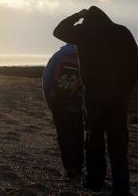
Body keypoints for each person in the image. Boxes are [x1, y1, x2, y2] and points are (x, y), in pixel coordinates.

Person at [53, 6, 138, 195]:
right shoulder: (122, 31)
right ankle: (121, 187)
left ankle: (94, 182)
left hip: (94, 95)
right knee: (118, 142)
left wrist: (78, 15)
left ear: (88, 20)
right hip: (119, 96)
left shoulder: (84, 31)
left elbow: (58, 30)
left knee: (94, 140)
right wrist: (127, 87)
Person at [42, 43, 84, 179]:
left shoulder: (58, 55)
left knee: (64, 134)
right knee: (78, 134)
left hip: (59, 100)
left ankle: (69, 168)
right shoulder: (85, 54)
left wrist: (49, 99)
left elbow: (46, 78)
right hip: (78, 101)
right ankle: (79, 166)